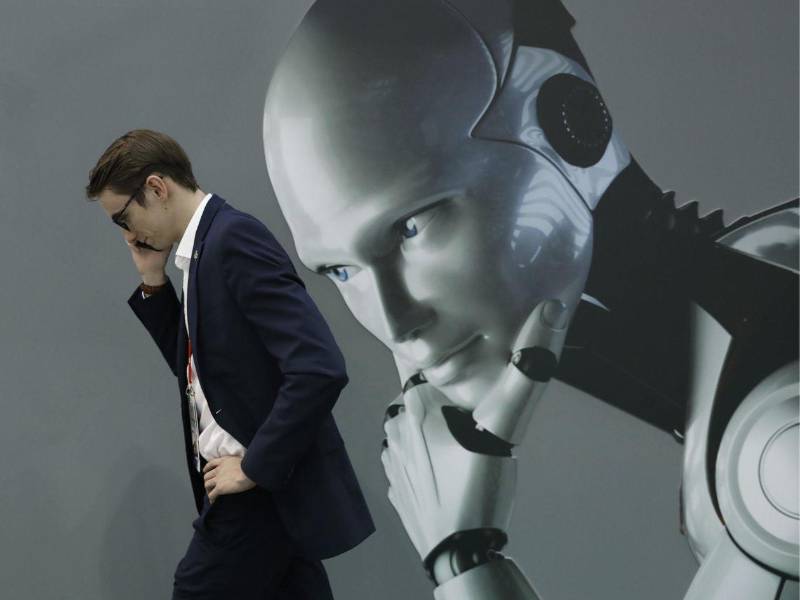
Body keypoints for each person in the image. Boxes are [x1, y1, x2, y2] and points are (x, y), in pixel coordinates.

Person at [261, 1, 798, 599]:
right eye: (340, 269)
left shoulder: (781, 461)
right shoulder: (776, 270)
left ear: (572, 129)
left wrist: (462, 561)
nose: (396, 321)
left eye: (412, 229)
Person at [86, 129, 375, 599]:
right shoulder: (201, 251)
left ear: (157, 188)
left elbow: (319, 366)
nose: (127, 235)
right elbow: (204, 373)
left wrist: (256, 466)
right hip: (271, 496)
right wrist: (154, 284)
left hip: (257, 492)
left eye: (124, 216)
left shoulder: (231, 239)